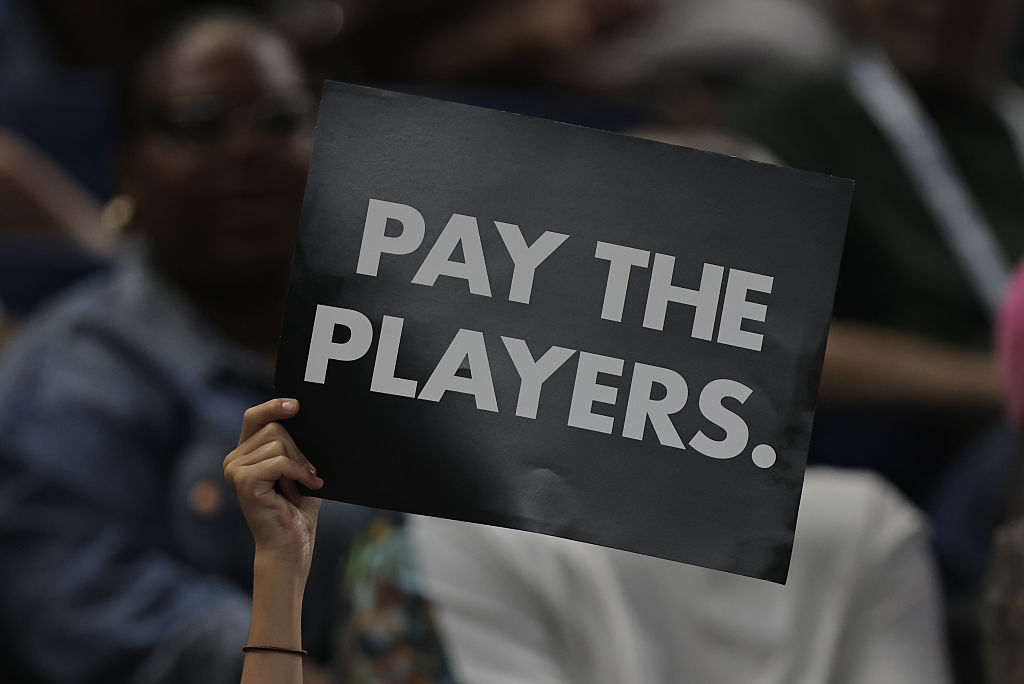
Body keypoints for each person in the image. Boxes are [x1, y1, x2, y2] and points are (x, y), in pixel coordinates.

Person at [0, 10, 369, 684]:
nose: (246, 150)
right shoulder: (71, 375)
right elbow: (101, 614)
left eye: (282, 119)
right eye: (197, 125)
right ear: (127, 172)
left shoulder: (402, 336)